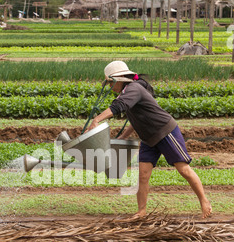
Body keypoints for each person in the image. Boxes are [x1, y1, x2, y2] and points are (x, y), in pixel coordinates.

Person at [86, 60, 212, 219]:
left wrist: (96, 119)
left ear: (120, 79)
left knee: (183, 169)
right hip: (148, 138)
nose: (111, 86)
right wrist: (124, 136)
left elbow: (118, 106)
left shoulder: (133, 89)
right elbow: (136, 119)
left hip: (165, 131)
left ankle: (204, 201)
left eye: (111, 82)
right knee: (143, 175)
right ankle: (141, 211)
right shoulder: (127, 92)